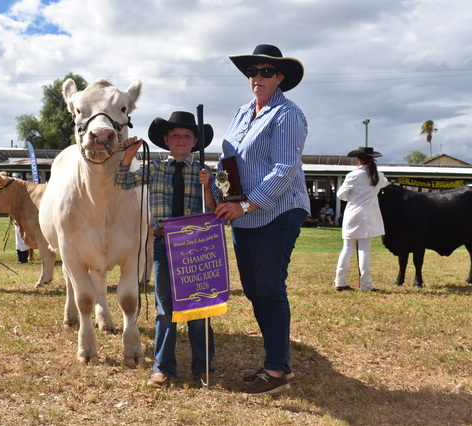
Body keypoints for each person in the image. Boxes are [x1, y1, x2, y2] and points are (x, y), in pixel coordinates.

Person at [213, 44, 310, 396]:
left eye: (266, 72)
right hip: (242, 212)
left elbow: (284, 169)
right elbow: (229, 162)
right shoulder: (242, 112)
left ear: (280, 77)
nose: (257, 77)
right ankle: (278, 360)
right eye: (253, 72)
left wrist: (245, 205)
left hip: (279, 210)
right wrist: (220, 192)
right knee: (254, 289)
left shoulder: (288, 114)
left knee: (269, 287)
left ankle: (275, 370)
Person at [114, 111, 216, 388]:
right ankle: (163, 367)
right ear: (166, 140)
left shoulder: (206, 172)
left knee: (198, 308)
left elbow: (215, 209)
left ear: (195, 141)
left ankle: (203, 367)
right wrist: (128, 156)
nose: (181, 140)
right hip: (163, 243)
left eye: (187, 135)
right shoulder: (155, 168)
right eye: (175, 135)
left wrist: (208, 187)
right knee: (165, 310)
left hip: (196, 246)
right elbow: (121, 182)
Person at [334, 146, 389, 292]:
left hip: (353, 214)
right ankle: (366, 285)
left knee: (347, 249)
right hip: (369, 216)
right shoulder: (379, 176)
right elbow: (384, 183)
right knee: (364, 250)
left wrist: (352, 196)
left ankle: (340, 281)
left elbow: (341, 195)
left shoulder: (353, 175)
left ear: (359, 160)